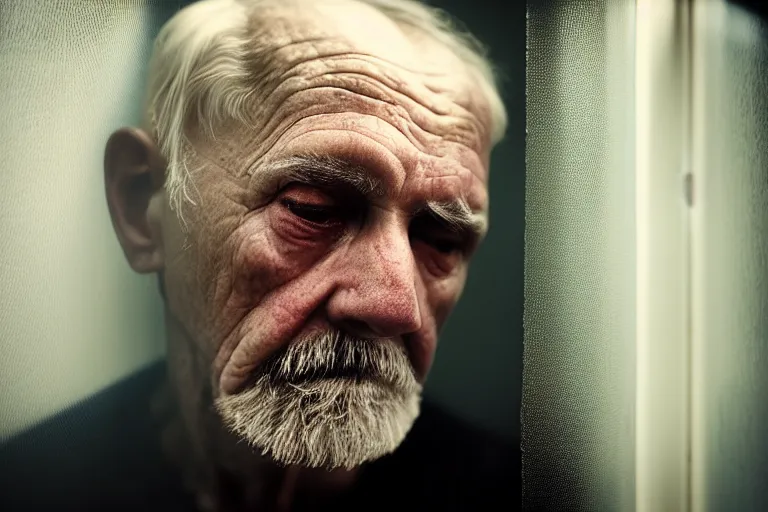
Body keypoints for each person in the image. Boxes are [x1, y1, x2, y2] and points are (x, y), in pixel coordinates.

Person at [0, 0, 518, 510]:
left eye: (442, 241)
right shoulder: (27, 486)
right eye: (312, 210)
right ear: (143, 208)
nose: (395, 306)